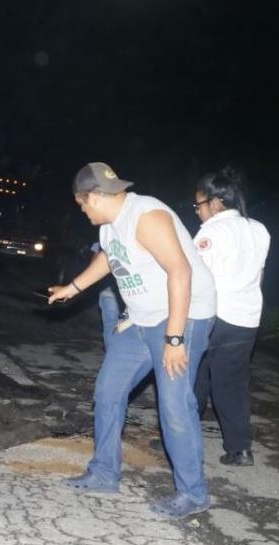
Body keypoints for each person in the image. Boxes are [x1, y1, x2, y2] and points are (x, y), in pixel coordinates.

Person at [49, 162, 216, 519]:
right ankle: (104, 473)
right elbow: (110, 259)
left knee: (174, 406)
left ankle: (193, 493)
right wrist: (72, 288)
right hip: (141, 319)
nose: (82, 211)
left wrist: (174, 338)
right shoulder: (112, 226)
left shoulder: (146, 215)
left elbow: (180, 271)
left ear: (94, 196)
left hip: (182, 317)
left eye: (82, 204)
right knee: (108, 391)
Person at [191, 167, 271, 466]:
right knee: (232, 384)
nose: (198, 212)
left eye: (198, 205)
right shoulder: (259, 229)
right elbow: (258, 277)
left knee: (193, 379)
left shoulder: (212, 231)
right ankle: (240, 449)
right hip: (246, 317)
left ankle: (181, 439)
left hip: (213, 316)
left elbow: (196, 276)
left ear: (214, 202)